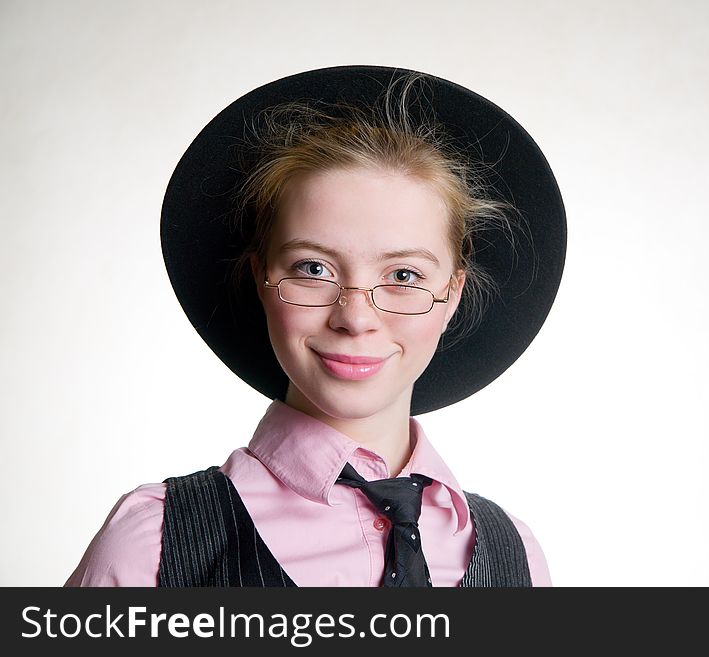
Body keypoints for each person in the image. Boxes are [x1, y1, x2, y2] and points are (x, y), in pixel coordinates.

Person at [65, 66, 566, 587]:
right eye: (313, 269)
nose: (354, 317)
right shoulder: (156, 544)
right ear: (261, 277)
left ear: (451, 295)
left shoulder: (517, 559)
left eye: (403, 274)